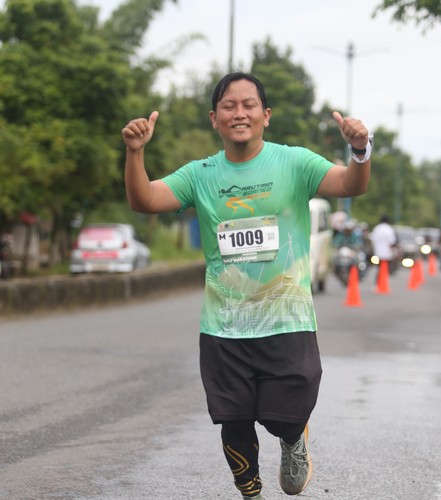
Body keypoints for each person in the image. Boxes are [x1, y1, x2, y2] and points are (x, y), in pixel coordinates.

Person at [122, 72, 371, 499]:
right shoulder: (200, 174)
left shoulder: (295, 162)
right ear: (214, 118)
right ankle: (250, 492)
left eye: (249, 105)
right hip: (225, 325)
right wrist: (135, 153)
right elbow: (143, 199)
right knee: (233, 418)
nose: (239, 113)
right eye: (229, 106)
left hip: (287, 319)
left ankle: (293, 440)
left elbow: (351, 184)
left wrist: (360, 151)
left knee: (286, 414)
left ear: (266, 115)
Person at [370, 215, 397, 283]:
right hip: (387, 253)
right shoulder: (389, 229)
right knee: (385, 268)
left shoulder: (377, 228)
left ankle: (377, 282)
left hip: (377, 252)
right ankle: (383, 282)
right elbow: (392, 241)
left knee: (379, 268)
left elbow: (372, 239)